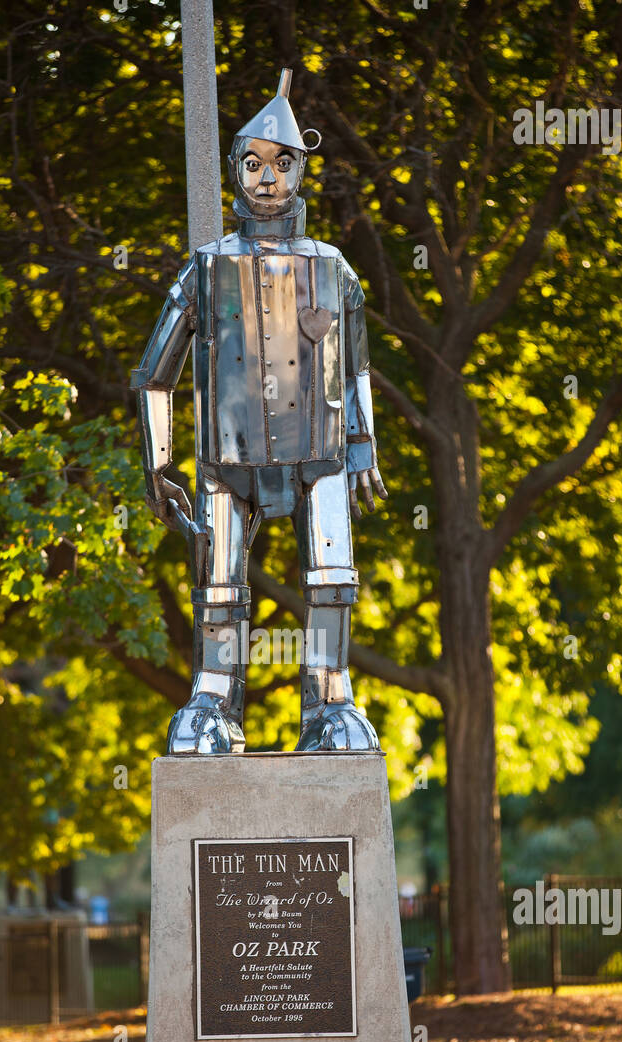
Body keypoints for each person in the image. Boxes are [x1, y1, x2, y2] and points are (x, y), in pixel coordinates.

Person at [132, 69, 387, 754]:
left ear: (301, 168)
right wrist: (157, 466)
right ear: (237, 170)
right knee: (220, 583)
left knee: (333, 575)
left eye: (280, 163)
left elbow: (358, 364)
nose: (266, 178)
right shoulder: (205, 269)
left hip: (322, 447)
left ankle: (331, 701)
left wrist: (363, 445)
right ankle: (213, 700)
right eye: (252, 163)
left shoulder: (334, 268)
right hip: (228, 455)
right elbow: (156, 373)